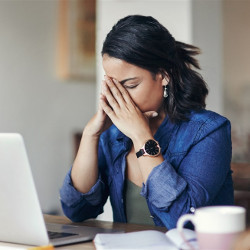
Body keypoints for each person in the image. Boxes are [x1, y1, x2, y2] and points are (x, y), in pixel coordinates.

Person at [60, 15, 233, 229]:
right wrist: (91, 134)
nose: (121, 97)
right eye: (114, 86)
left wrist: (141, 136)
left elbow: (181, 221)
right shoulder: (113, 135)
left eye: (131, 85)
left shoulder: (209, 131)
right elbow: (77, 210)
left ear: (164, 75)